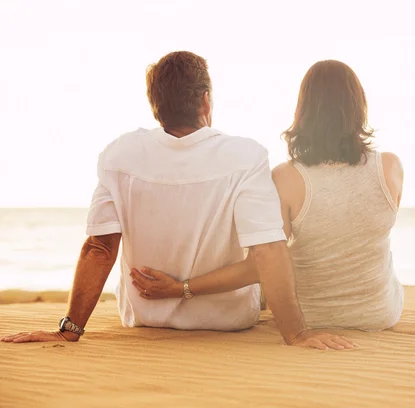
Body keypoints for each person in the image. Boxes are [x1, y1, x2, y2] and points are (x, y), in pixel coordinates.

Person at [1, 52, 355, 350]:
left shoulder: (119, 154)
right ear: (205, 100)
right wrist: (297, 334)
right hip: (228, 323)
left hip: (144, 320)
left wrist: (69, 329)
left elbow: (100, 247)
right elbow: (268, 249)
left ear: (156, 106)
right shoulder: (245, 156)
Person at [128, 60, 404, 331]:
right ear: (359, 107)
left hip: (310, 317)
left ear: (303, 110)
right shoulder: (390, 168)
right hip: (379, 314)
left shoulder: (286, 177)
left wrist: (181, 288)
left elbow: (257, 267)